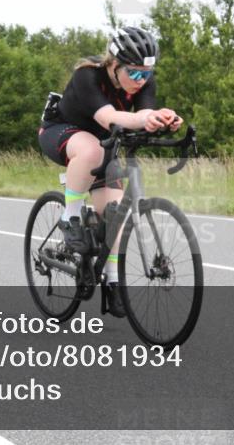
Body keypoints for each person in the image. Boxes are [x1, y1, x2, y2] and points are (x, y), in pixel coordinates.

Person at [37, 26, 183, 317]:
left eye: (146, 74)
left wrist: (160, 116)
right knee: (91, 150)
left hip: (104, 142)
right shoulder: (87, 76)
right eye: (135, 73)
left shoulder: (143, 82)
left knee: (114, 213)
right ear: (114, 66)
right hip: (62, 131)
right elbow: (110, 117)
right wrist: (143, 118)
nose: (141, 81)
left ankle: (113, 281)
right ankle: (70, 218)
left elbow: (141, 114)